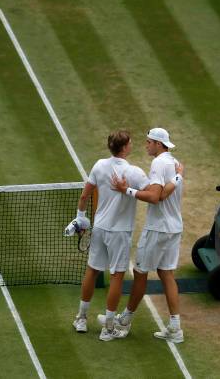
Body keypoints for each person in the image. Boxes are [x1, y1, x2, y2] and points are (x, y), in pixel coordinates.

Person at [100, 128, 185, 343]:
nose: (145, 145)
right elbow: (165, 193)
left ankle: (125, 321)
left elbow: (155, 197)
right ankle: (176, 329)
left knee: (139, 273)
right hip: (174, 228)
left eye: (148, 142)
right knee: (167, 274)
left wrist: (126, 190)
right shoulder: (174, 164)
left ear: (158, 144)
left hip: (157, 228)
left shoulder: (158, 164)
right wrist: (177, 178)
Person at [71, 130, 150, 341]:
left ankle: (81, 319)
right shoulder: (135, 173)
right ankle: (107, 329)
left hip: (100, 228)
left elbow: (84, 195)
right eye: (130, 143)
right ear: (124, 148)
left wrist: (80, 218)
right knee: (117, 276)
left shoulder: (99, 165)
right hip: (119, 232)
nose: (132, 145)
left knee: (92, 270)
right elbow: (153, 194)